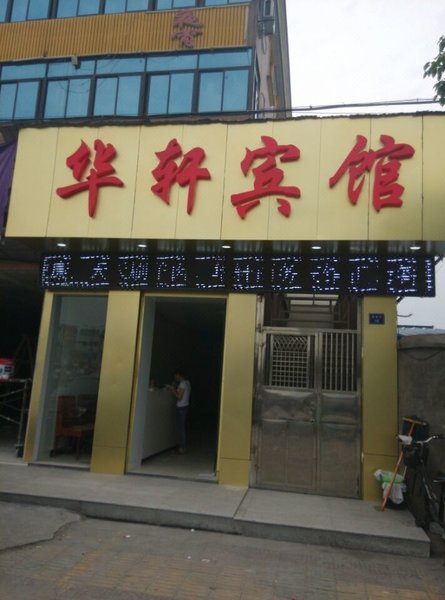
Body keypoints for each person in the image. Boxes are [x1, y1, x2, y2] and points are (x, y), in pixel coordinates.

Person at [169, 369, 191, 454]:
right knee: (182, 427)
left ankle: (181, 448)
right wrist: (176, 387)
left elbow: (179, 397)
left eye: (176, 376)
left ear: (179, 375)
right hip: (185, 406)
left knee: (180, 428)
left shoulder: (182, 384)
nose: (175, 378)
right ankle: (181, 447)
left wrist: (173, 390)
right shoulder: (187, 383)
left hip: (181, 407)